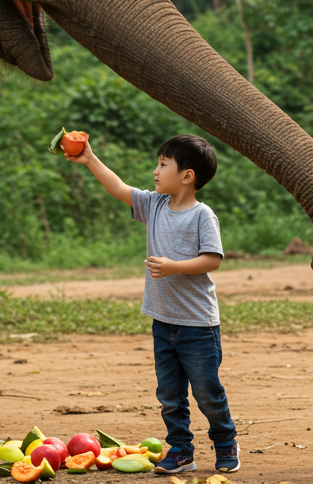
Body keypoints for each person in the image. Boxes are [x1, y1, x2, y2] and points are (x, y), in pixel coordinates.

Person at [64, 134, 239, 475]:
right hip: (163, 321)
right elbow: (118, 187)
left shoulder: (202, 216)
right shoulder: (155, 205)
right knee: (170, 394)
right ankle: (181, 450)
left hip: (198, 326)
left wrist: (174, 266)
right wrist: (90, 159)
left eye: (163, 164)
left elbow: (212, 259)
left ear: (187, 176)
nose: (155, 171)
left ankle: (225, 439)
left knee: (207, 391)